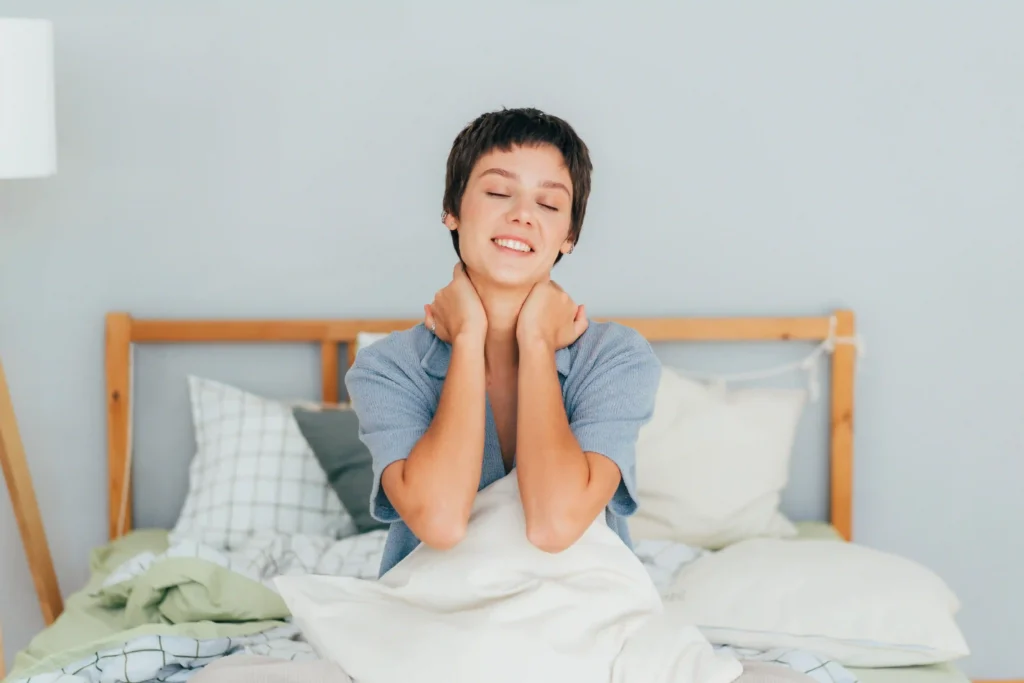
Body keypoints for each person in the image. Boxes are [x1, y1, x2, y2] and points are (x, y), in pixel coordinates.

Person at [344, 107, 662, 577]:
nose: (522, 216)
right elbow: (441, 523)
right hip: (438, 620)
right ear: (451, 210)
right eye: (497, 192)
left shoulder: (616, 358)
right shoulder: (386, 368)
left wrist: (535, 341)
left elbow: (554, 526)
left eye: (549, 205)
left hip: (580, 621)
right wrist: (469, 339)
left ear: (568, 235)